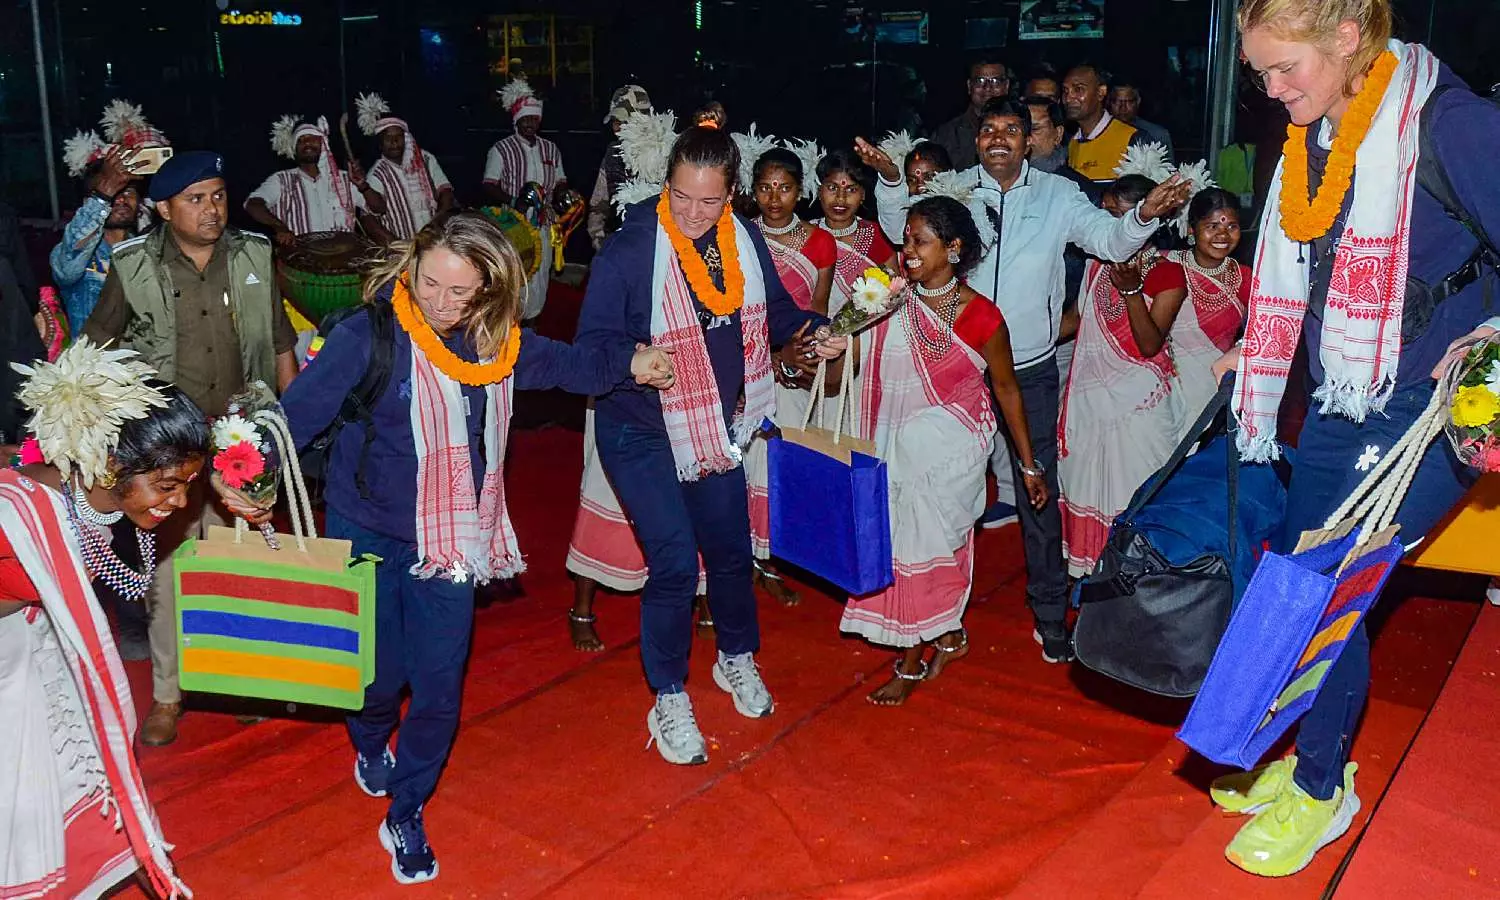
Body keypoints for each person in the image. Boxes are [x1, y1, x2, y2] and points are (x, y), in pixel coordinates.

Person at [282, 212, 672, 884]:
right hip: (367, 530)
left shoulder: (497, 345)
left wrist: (633, 363)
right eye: (429, 283)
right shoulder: (367, 336)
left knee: (439, 685)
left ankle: (406, 810)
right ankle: (370, 739)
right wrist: (239, 469)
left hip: (453, 536)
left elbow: (570, 364)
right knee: (377, 677)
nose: (440, 303)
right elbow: (291, 422)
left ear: (488, 290)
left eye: (459, 291)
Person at [1202, 1, 1500, 876]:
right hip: (1345, 390)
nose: (1270, 89)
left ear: (1345, 37)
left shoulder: (1450, 123)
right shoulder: (1318, 125)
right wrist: (1258, 346)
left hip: (1429, 406)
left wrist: (1491, 337)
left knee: (1329, 585)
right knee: (1297, 574)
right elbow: (1316, 258)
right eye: (1258, 72)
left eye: (1283, 67)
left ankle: (1322, 789)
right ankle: (1311, 751)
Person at [853, 97, 1190, 663]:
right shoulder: (957, 188)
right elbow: (903, 235)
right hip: (953, 370)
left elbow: (1110, 242)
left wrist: (1144, 216)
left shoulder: (1059, 195)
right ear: (976, 139)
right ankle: (931, 612)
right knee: (939, 493)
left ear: (1031, 141)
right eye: (989, 129)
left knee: (1038, 492)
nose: (999, 138)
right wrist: (890, 182)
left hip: (1027, 369)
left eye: (1013, 129)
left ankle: (1051, 614)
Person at [574, 123, 845, 767]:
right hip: (639, 430)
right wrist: (634, 360)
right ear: (665, 184)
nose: (693, 214)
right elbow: (589, 350)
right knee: (673, 563)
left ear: (732, 196)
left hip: (712, 427)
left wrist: (815, 329)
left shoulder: (742, 237)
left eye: (709, 200)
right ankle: (668, 693)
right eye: (681, 196)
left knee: (729, 550)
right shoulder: (631, 249)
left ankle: (736, 657)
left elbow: (776, 312)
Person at [83, 150, 302, 746]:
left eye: (219, 196)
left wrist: (298, 430)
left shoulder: (254, 254)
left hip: (241, 440)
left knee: (241, 565)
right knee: (166, 576)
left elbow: (280, 342)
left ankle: (243, 684)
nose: (213, 209)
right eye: (196, 199)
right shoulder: (132, 265)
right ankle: (167, 696)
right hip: (167, 451)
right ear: (163, 209)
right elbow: (94, 347)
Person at [1, 341, 211, 900]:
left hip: (36, 662)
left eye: (188, 484)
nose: (180, 501)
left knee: (79, 787)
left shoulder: (88, 506)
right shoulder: (21, 514)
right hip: (10, 670)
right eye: (167, 485)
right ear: (109, 464)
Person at [835, 196, 1047, 704]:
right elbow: (843, 344)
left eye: (920, 242)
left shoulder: (983, 317)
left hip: (952, 449)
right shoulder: (885, 295)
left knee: (928, 547)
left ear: (952, 248)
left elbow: (1007, 390)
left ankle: (912, 661)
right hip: (895, 443)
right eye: (905, 240)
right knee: (905, 545)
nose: (907, 251)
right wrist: (822, 347)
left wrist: (1028, 465)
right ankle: (944, 635)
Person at [1057, 175, 1178, 577]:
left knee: (1134, 491)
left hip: (1139, 408)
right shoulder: (1096, 265)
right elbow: (1075, 319)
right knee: (1085, 486)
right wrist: (1021, 343)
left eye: (1117, 216)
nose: (1107, 225)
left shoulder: (1167, 274)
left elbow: (1149, 344)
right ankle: (1087, 578)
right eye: (1105, 214)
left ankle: (1135, 583)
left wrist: (1130, 291)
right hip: (1091, 404)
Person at [743, 146, 837, 600]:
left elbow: (816, 310)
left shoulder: (820, 242)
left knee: (783, 458)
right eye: (765, 188)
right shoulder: (741, 235)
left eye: (784, 188)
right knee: (747, 459)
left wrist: (799, 360)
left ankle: (772, 556)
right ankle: (746, 557)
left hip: (797, 360)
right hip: (747, 360)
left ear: (801, 192)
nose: (774, 198)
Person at [1116, 187, 1249, 438]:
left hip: (1213, 391)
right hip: (1157, 393)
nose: (1223, 234)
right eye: (1212, 226)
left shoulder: (1246, 278)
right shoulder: (1161, 264)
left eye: (1231, 226)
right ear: (1190, 229)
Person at [52, 124, 155, 333]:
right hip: (95, 354)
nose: (121, 199)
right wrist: (104, 191)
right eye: (113, 193)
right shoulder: (74, 255)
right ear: (89, 201)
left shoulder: (150, 250)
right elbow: (67, 269)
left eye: (128, 192)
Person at [484, 77, 571, 321]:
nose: (530, 123)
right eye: (525, 118)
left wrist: (564, 194)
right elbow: (489, 185)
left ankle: (534, 321)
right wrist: (514, 202)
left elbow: (560, 180)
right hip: (514, 225)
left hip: (544, 223)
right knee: (516, 271)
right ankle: (513, 321)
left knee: (541, 272)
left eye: (534, 118)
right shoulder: (501, 149)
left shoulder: (550, 148)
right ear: (516, 120)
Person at [247, 115, 379, 244]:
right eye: (300, 140)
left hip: (343, 255)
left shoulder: (345, 178)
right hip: (300, 255)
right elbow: (253, 204)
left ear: (323, 144)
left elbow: (379, 208)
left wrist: (363, 185)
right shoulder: (281, 180)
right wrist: (279, 226)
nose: (307, 142)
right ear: (295, 149)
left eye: (313, 138)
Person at [355, 93, 455, 244]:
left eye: (398, 136)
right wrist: (397, 246)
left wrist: (437, 224)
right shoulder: (377, 174)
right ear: (380, 144)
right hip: (403, 246)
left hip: (435, 240)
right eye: (388, 138)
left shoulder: (426, 159)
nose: (394, 142)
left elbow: (446, 192)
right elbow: (369, 218)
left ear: (406, 138)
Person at [814, 148, 898, 311]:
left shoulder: (878, 236)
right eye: (832, 187)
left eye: (851, 189)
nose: (841, 198)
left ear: (863, 195)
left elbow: (895, 294)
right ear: (819, 191)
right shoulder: (804, 235)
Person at [589, 84, 654, 250]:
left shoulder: (668, 153)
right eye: (615, 122)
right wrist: (599, 240)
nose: (616, 128)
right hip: (622, 245)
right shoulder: (612, 153)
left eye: (623, 121)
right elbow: (599, 204)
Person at [1063, 64, 1145, 183]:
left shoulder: (1132, 138)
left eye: (1078, 89)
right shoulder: (1069, 143)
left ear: (1101, 92)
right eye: (1065, 91)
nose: (1068, 98)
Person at [931, 58, 1012, 170]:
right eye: (980, 81)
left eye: (995, 81)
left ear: (1006, 86)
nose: (987, 88)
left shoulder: (1021, 128)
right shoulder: (946, 135)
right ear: (969, 86)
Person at [1109, 78, 1176, 161]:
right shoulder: (1098, 131)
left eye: (1129, 102)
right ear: (1109, 102)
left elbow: (1167, 167)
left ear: (1138, 101)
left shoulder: (1157, 135)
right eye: (1117, 101)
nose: (1123, 108)